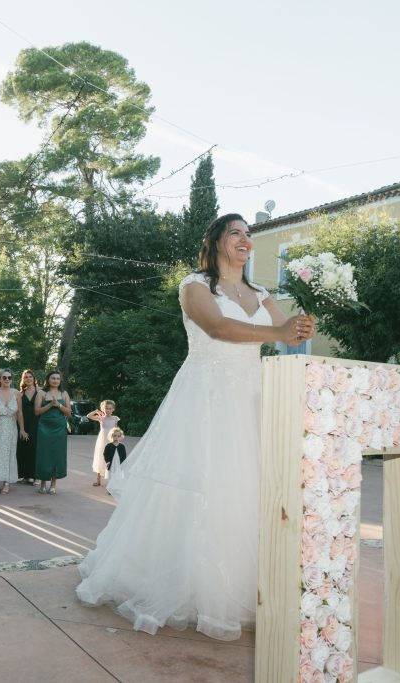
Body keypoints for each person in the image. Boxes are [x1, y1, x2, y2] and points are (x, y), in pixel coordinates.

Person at [75, 213, 316, 641]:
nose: (245, 240)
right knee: (198, 484)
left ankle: (246, 586)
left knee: (247, 487)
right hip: (204, 397)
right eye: (236, 233)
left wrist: (303, 323)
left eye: (249, 234)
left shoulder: (262, 293)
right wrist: (277, 329)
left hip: (252, 399)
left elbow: (287, 334)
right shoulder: (195, 286)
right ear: (218, 241)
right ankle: (179, 584)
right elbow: (218, 326)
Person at [34, 370, 71, 494]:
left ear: (60, 380)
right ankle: (43, 483)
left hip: (59, 428)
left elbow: (69, 412)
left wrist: (59, 406)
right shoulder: (41, 393)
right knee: (44, 455)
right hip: (44, 428)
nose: (55, 380)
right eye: (53, 378)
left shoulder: (64, 393)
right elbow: (37, 412)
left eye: (57, 378)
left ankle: (53, 484)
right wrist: (50, 405)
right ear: (48, 380)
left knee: (57, 455)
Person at [87, 400, 120, 487]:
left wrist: (117, 439)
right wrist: (96, 411)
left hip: (111, 440)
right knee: (100, 458)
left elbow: (116, 430)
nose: (108, 410)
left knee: (111, 459)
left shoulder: (115, 418)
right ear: (103, 409)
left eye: (110, 408)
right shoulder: (101, 418)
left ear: (113, 409)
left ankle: (112, 481)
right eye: (106, 408)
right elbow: (88, 416)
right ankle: (98, 480)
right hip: (102, 441)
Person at [16, 369, 39, 485]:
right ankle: (24, 475)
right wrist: (22, 429)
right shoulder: (20, 394)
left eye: (30, 376)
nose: (28, 379)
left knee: (34, 448)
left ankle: (35, 476)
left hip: (36, 424)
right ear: (23, 380)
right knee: (22, 447)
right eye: (26, 377)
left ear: (34, 379)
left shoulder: (40, 392)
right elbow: (18, 412)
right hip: (23, 423)